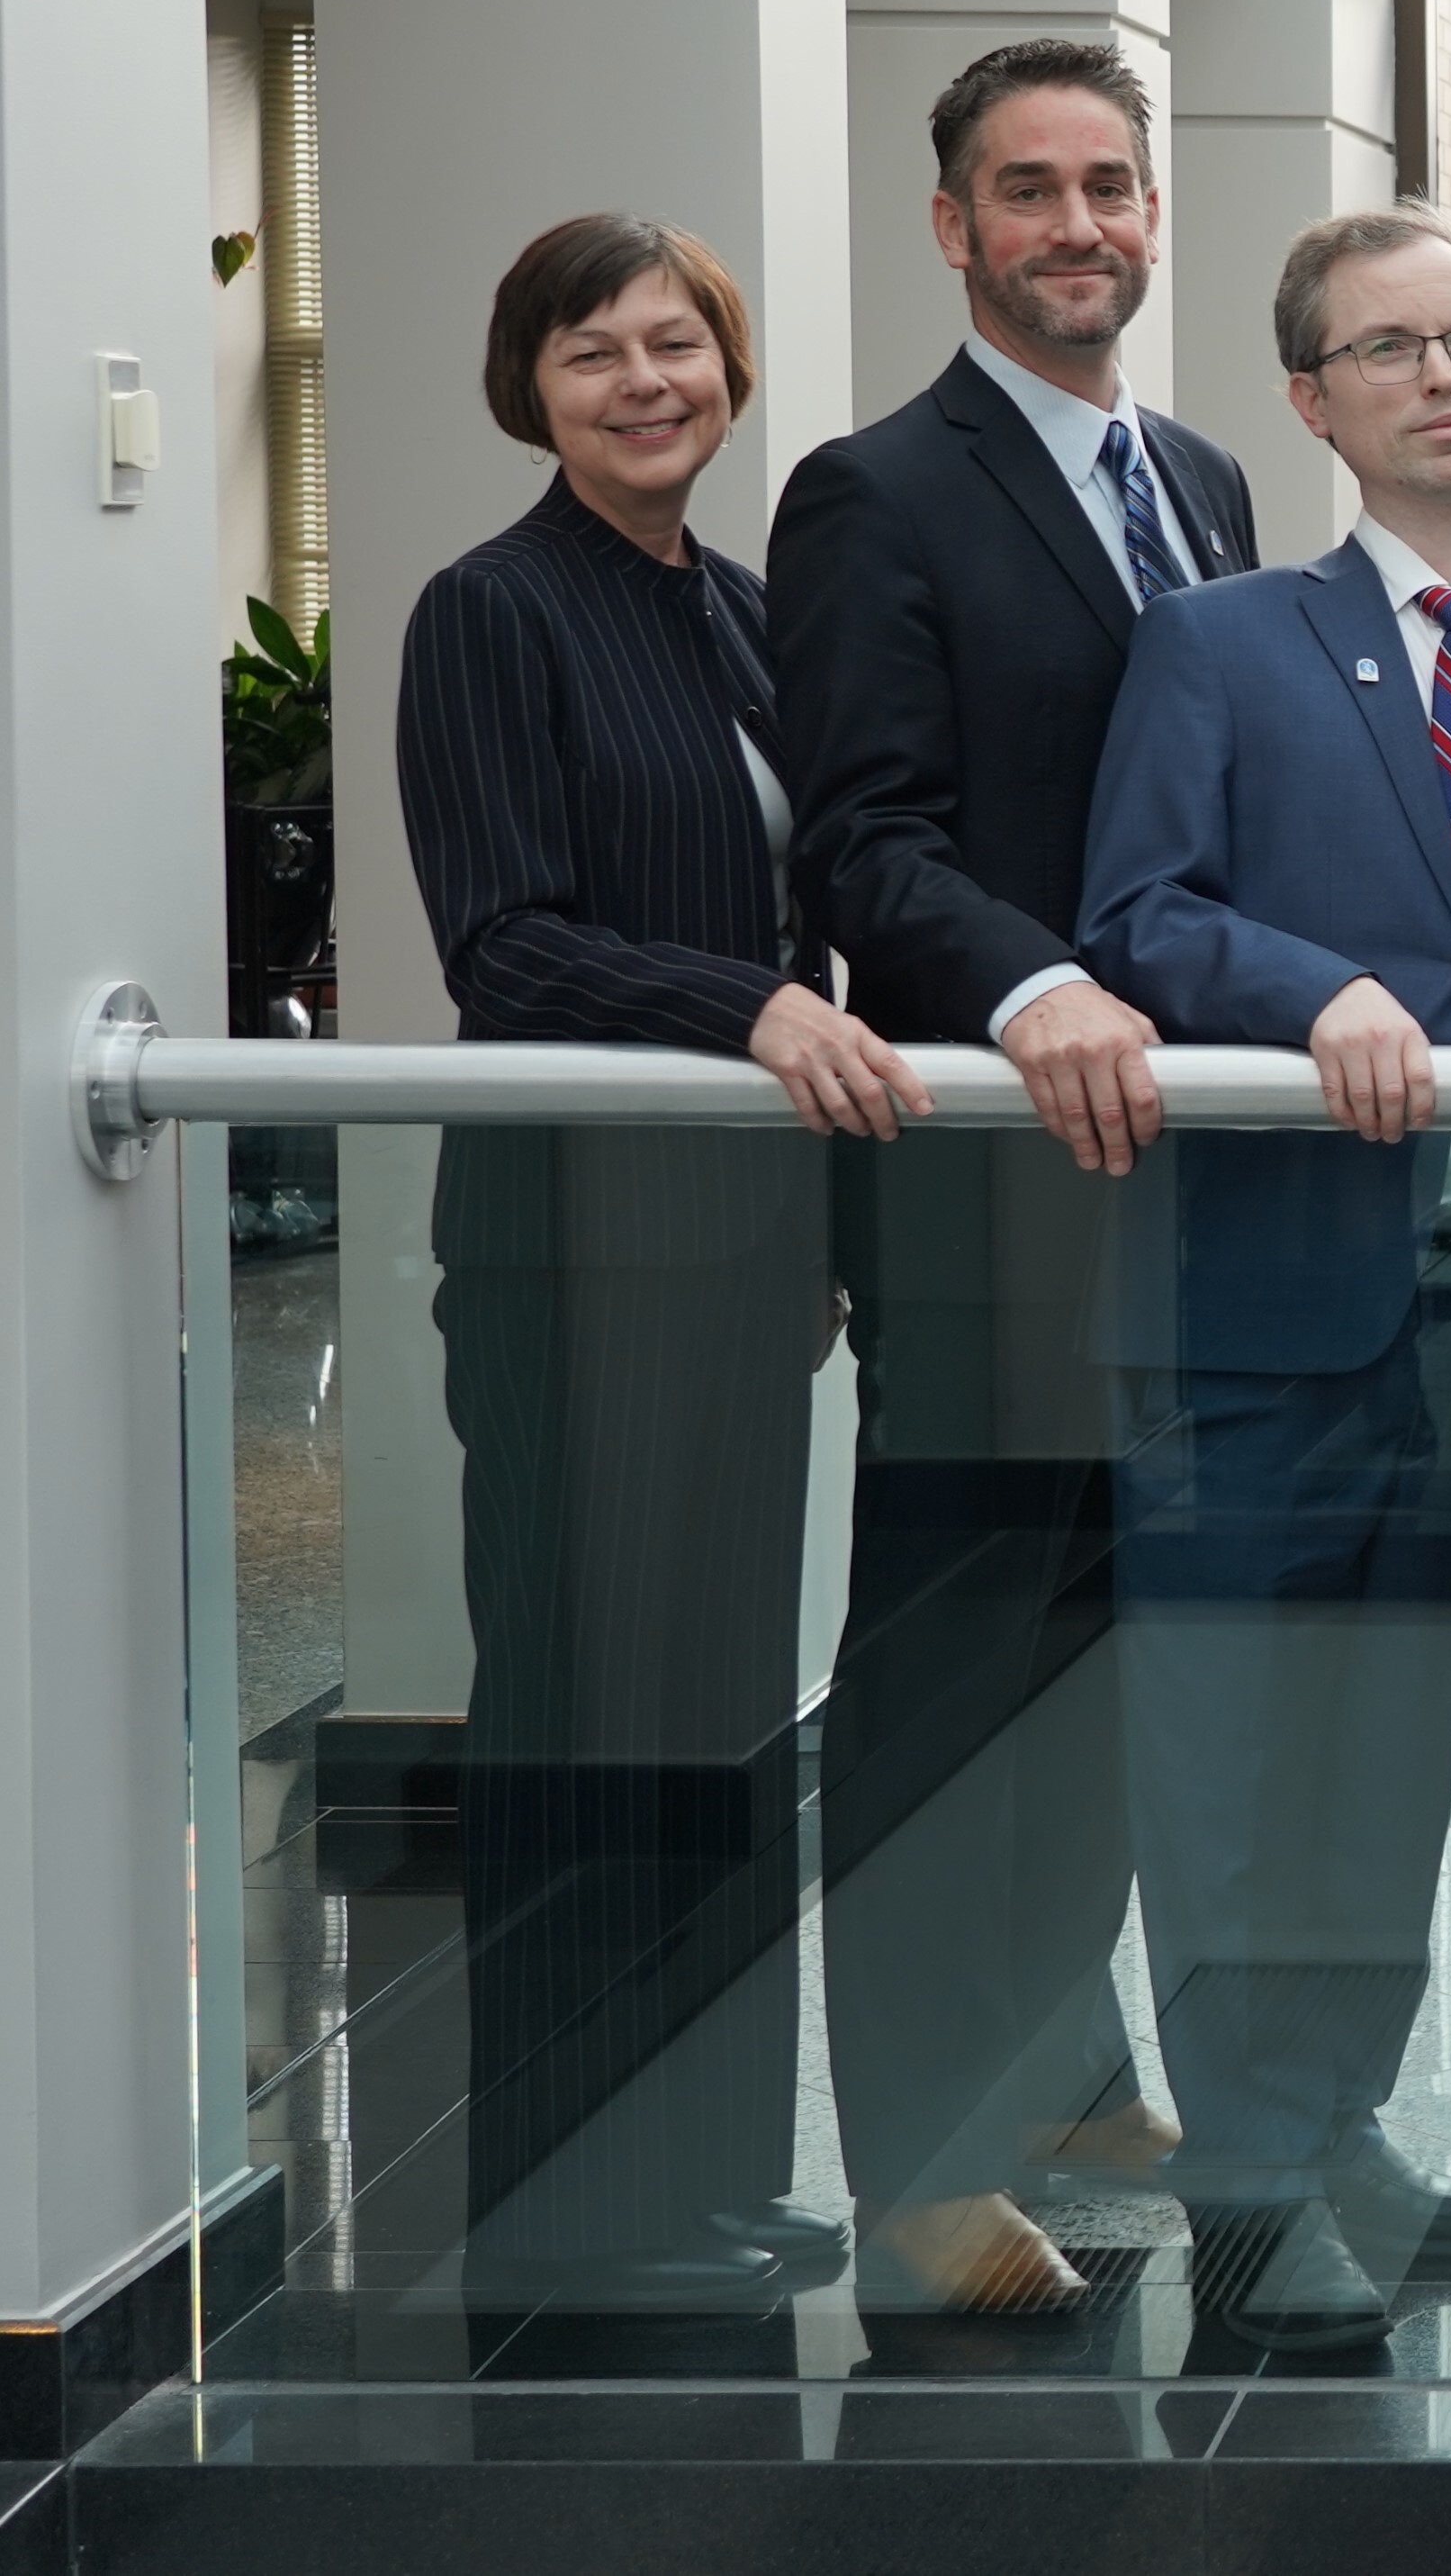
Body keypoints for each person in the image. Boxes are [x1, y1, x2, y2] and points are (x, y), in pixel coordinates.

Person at [1076, 200, 1451, 2350]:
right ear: (1313, 398)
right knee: (1232, 1760)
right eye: (1392, 348)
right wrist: (1316, 987)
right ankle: (1242, 2182)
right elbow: (1138, 911)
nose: (1447, 374)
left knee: (1389, 1757)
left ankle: (1334, 2120)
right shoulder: (1218, 645)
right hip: (1255, 1303)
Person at [399, 215, 934, 2312]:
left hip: (731, 1244)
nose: (647, 382)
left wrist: (799, 1184)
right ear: (527, 381)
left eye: (679, 344)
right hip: (569, 1243)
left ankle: (703, 2172)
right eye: (594, 351)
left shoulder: (742, 611)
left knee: (719, 1711)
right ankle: (566, 2206)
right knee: (582, 1709)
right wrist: (750, 1011)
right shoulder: (485, 613)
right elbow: (505, 942)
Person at [770, 37, 1255, 2317]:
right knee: (956, 1670)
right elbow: (869, 835)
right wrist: (1035, 982)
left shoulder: (1210, 478)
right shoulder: (876, 492)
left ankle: (1065, 2063)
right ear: (953, 228)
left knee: (1111, 1645)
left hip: (1185, 1183)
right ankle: (921, 2178)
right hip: (996, 1162)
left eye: (1113, 186)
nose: (1081, 226)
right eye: (1029, 191)